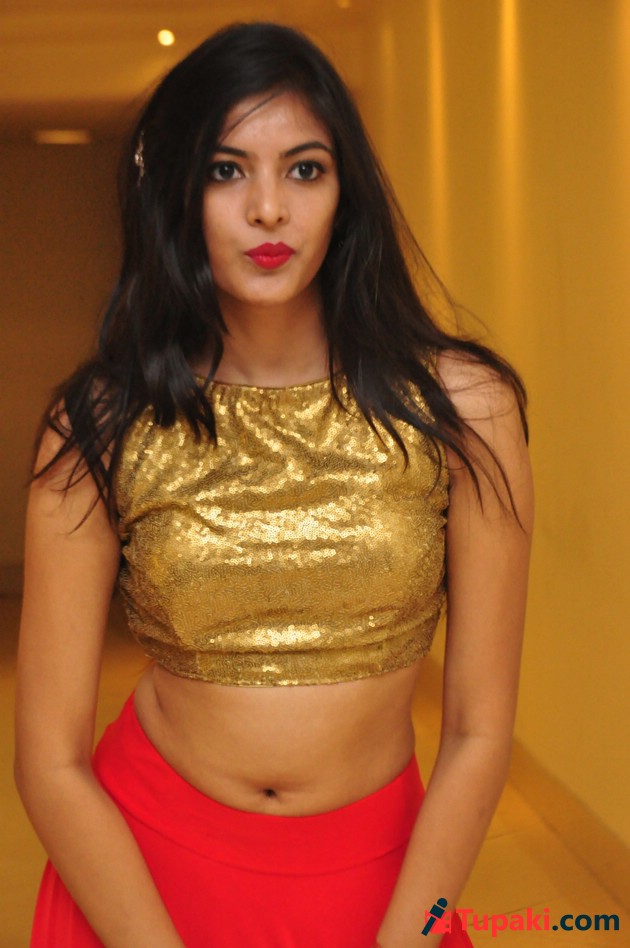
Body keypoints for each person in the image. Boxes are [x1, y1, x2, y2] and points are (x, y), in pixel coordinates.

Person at [14, 21, 533, 948]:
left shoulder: (464, 408)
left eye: (304, 170)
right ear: (178, 192)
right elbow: (49, 761)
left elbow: (479, 732)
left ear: (345, 193)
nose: (267, 210)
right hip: (145, 882)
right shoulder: (100, 422)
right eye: (226, 170)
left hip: (384, 884)